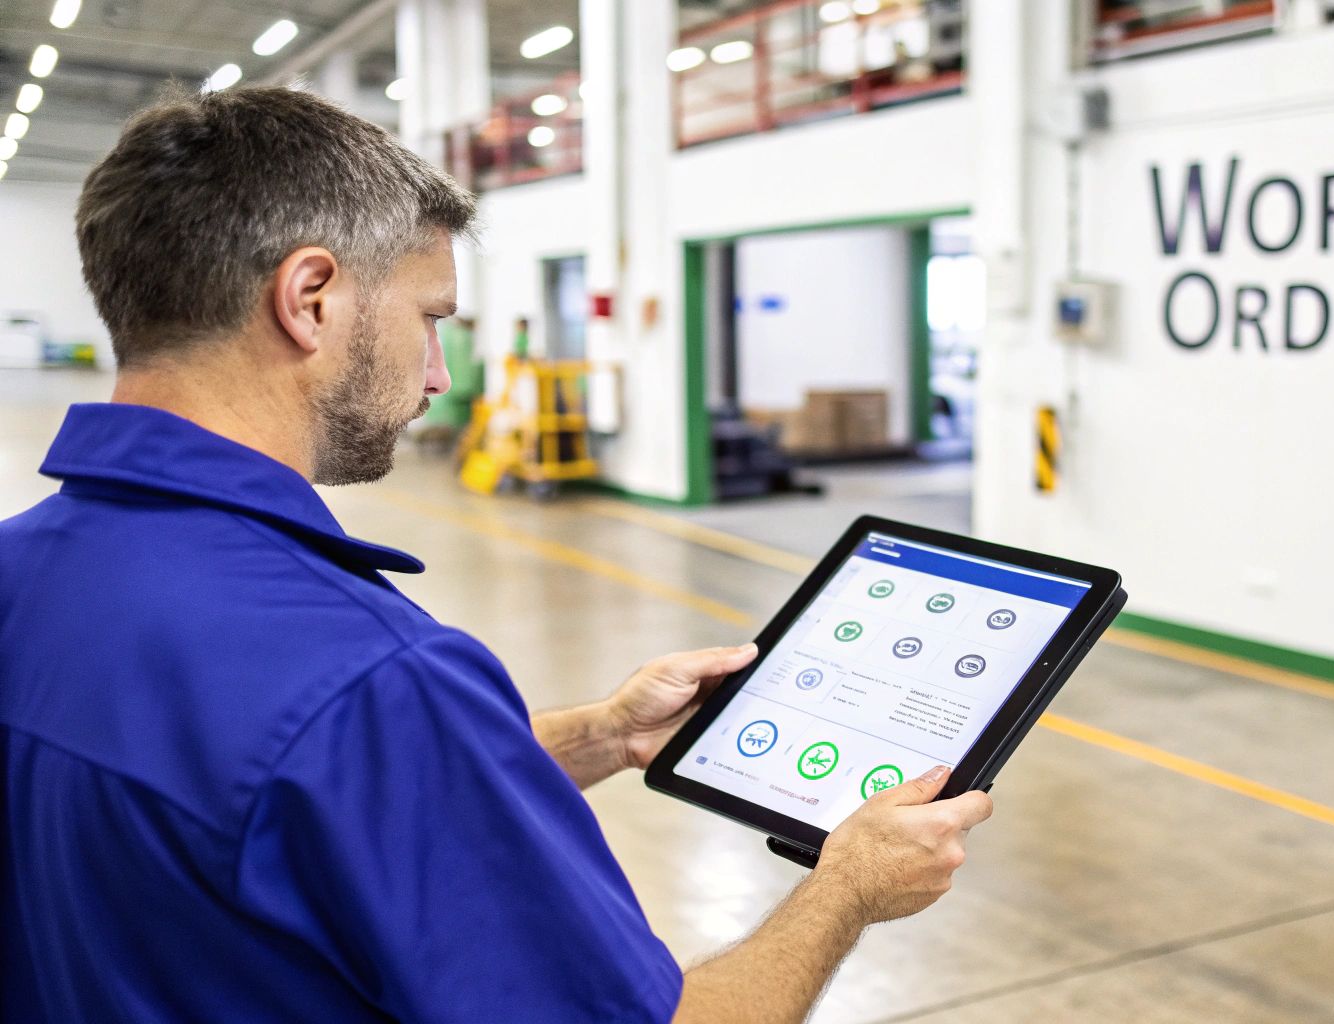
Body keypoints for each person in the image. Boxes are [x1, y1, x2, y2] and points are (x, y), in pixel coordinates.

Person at [0, 86, 992, 1023]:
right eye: (430, 318)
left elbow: (293, 810)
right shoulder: (372, 680)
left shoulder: (22, 574)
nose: (437, 374)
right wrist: (846, 889)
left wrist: (604, 733)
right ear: (309, 299)